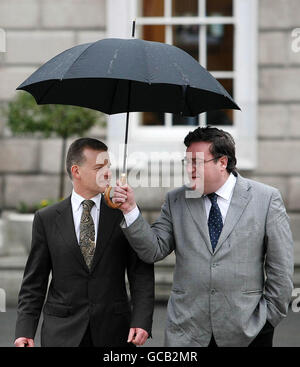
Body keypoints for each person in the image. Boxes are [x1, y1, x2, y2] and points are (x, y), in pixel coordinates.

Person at [113, 126, 294, 347]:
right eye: (187, 162)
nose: (190, 170)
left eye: (197, 163)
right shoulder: (176, 200)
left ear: (222, 162)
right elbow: (153, 250)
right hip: (187, 333)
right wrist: (130, 208)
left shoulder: (266, 199)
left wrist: (268, 319)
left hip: (248, 330)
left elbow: (281, 269)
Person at [14, 138, 154, 347]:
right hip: (61, 333)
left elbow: (140, 272)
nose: (107, 173)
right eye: (99, 167)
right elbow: (35, 282)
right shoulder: (47, 218)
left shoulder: (124, 213)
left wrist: (142, 321)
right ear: (76, 171)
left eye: (108, 166)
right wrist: (24, 331)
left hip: (114, 331)